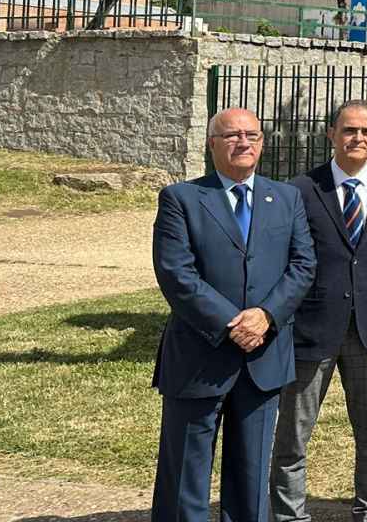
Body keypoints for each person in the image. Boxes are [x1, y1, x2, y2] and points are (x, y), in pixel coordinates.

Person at [151, 107, 316, 522]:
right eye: (231, 136)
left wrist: (265, 316)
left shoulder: (286, 198)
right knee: (185, 478)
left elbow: (303, 265)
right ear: (211, 145)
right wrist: (233, 323)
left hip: (263, 358)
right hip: (199, 358)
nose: (243, 142)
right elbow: (176, 274)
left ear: (262, 143)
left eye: (252, 135)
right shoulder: (181, 199)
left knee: (251, 476)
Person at [271, 99, 367, 522]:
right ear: (331, 134)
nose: (358, 138)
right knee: (294, 434)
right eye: (350, 130)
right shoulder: (300, 190)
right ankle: (290, 515)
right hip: (312, 332)